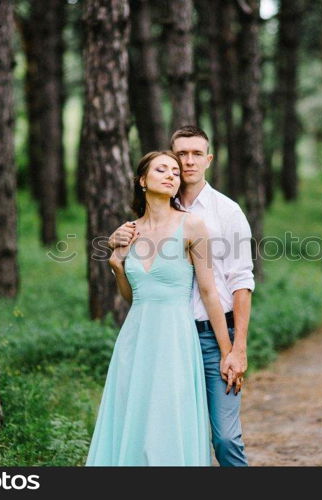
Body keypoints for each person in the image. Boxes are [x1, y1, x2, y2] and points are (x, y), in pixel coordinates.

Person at [109, 126, 254, 466]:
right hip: (163, 340)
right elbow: (142, 290)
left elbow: (241, 283)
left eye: (195, 154)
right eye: (179, 156)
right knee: (163, 435)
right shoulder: (144, 222)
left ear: (208, 159)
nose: (186, 162)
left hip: (212, 336)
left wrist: (236, 349)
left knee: (225, 438)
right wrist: (117, 258)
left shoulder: (226, 212)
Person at [85, 150, 233, 466]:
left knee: (167, 421)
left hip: (175, 339)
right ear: (142, 180)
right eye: (161, 170)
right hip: (135, 340)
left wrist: (227, 352)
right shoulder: (128, 231)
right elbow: (132, 295)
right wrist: (116, 265)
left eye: (175, 172)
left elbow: (208, 292)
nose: (171, 176)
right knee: (134, 420)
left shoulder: (193, 226)